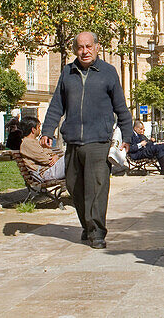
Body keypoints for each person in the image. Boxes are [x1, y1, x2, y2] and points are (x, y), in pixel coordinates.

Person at [41, 31, 132, 249]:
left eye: (89, 46)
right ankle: (87, 224)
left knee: (97, 188)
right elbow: (56, 105)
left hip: (98, 143)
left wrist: (127, 136)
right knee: (75, 186)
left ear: (97, 47)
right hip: (73, 141)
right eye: (80, 47)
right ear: (75, 50)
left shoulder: (108, 73)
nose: (85, 51)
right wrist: (47, 130)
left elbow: (121, 108)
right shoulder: (67, 72)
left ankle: (97, 231)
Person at [17, 115, 65, 181]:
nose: (40, 129)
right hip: (45, 173)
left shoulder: (35, 142)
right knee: (72, 156)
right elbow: (46, 160)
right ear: (33, 130)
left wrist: (55, 155)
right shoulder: (27, 144)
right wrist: (53, 156)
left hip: (50, 170)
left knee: (73, 157)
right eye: (38, 127)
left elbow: (50, 152)